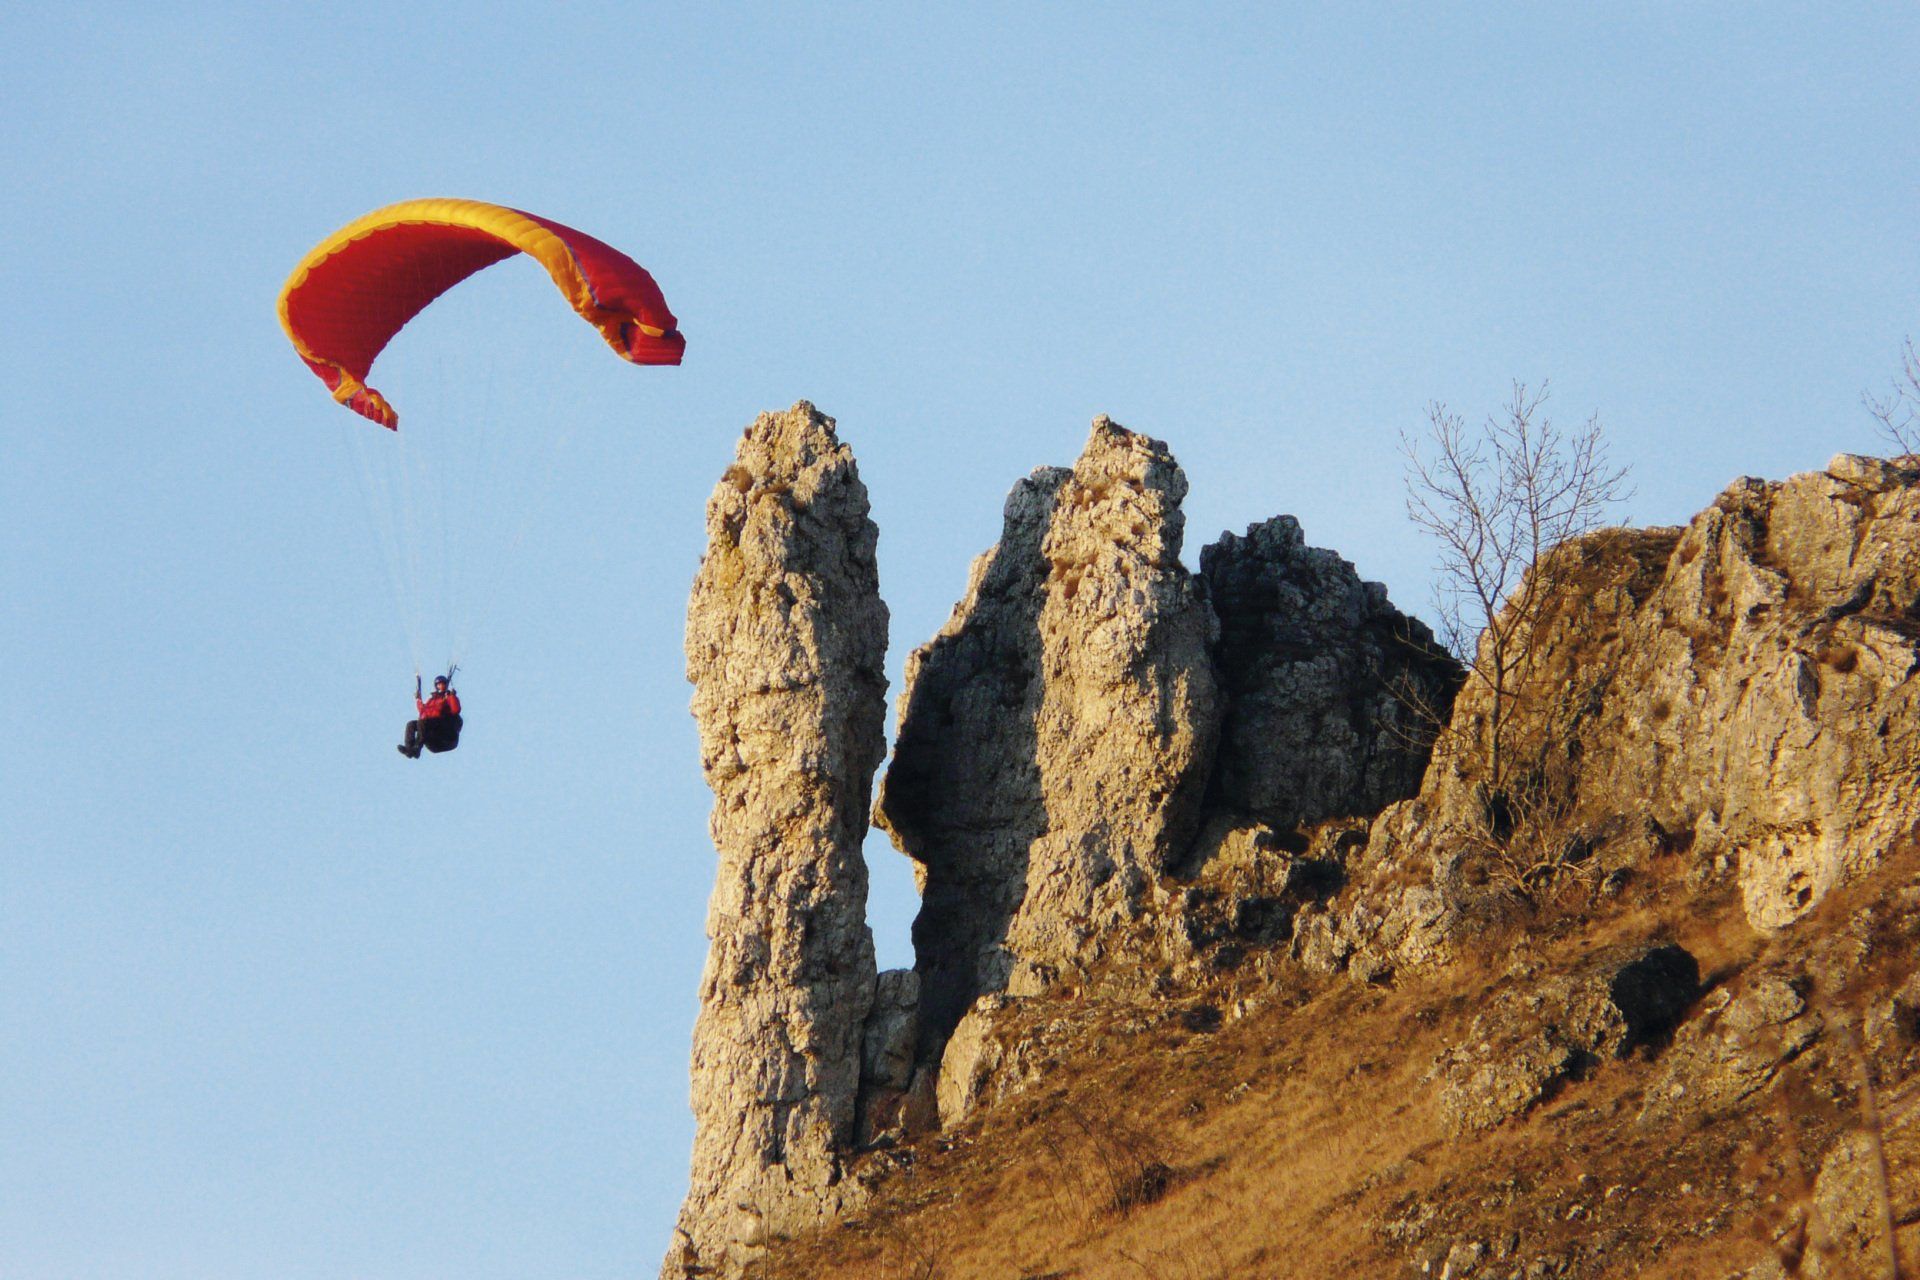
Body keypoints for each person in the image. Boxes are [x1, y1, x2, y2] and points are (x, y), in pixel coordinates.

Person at [399, 673, 462, 758]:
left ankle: (417, 748)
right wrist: (418, 699)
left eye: (443, 684)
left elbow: (456, 710)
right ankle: (409, 749)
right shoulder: (432, 699)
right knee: (411, 724)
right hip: (433, 734)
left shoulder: (448, 697)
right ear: (436, 686)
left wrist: (452, 696)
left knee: (422, 722)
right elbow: (423, 711)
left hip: (445, 733)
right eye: (439, 684)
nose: (441, 686)